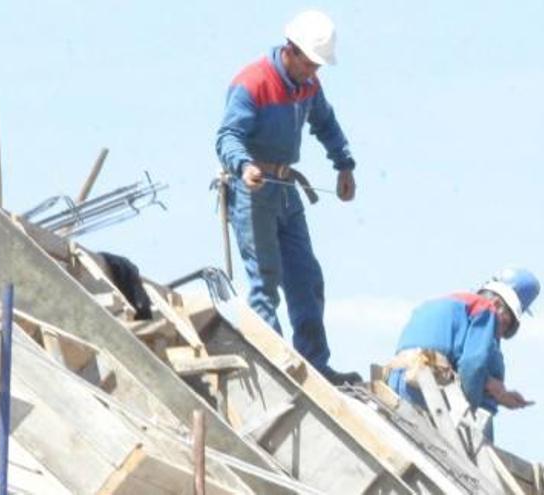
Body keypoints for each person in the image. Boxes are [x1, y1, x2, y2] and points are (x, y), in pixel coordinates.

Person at [215, 10, 360, 385]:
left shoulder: (308, 85)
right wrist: (244, 165)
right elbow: (227, 137)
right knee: (265, 281)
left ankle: (315, 367)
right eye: (310, 63)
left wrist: (344, 165)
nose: (314, 72)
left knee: (306, 278)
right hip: (253, 190)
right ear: (290, 51)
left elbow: (325, 123)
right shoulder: (253, 83)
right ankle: (277, 371)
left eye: (318, 66)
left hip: (285, 190)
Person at [386, 268, 540, 440]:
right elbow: (473, 364)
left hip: (398, 380)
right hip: (426, 386)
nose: (498, 333)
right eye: (504, 323)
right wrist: (470, 413)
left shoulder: (444, 303)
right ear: (497, 304)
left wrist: (499, 394)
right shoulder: (485, 308)